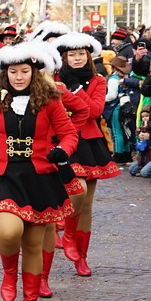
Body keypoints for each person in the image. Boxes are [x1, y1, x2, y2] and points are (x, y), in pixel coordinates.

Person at [0, 43, 80, 301]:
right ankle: (8, 273)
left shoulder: (50, 99)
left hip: (40, 177)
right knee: (10, 231)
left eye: (25, 71)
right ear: (5, 74)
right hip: (3, 176)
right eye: (14, 71)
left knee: (33, 244)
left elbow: (69, 134)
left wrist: (62, 151)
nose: (19, 77)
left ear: (34, 72)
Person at [51, 32, 120, 276]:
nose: (78, 58)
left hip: (89, 143)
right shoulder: (53, 78)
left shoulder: (98, 80)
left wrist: (75, 89)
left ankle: (82, 257)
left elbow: (94, 111)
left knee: (87, 205)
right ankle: (68, 234)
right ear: (64, 57)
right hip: (61, 141)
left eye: (82, 54)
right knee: (76, 191)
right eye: (73, 54)